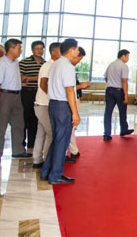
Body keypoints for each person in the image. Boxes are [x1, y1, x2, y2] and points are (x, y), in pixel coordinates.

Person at [41, 39, 80, 185]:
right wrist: (75, 113)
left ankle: (46, 171)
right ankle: (55, 175)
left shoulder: (56, 63)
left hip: (53, 104)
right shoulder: (67, 66)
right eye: (77, 49)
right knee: (62, 142)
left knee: (57, 139)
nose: (78, 52)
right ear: (71, 50)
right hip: (63, 106)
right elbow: (69, 90)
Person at [0, 39, 31, 164]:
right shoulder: (2, 63)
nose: (20, 51)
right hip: (5, 96)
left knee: (19, 125)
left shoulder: (16, 63)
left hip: (17, 96)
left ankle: (18, 150)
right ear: (11, 49)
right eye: (19, 48)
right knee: (1, 127)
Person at [32, 42, 61, 168]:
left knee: (41, 133)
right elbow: (43, 84)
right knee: (51, 133)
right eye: (61, 51)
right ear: (53, 52)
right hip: (44, 104)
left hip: (44, 103)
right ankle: (48, 160)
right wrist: (53, 96)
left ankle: (37, 159)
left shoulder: (54, 65)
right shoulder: (49, 66)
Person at [19, 40, 45, 150]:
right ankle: (21, 142)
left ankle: (32, 142)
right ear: (32, 50)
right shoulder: (24, 62)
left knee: (36, 118)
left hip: (40, 93)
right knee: (25, 117)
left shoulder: (45, 64)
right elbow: (20, 78)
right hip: (27, 92)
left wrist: (29, 78)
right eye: (37, 49)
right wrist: (37, 78)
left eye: (41, 49)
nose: (39, 51)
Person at [103, 49, 133, 141]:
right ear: (123, 56)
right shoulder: (124, 66)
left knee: (108, 112)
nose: (128, 58)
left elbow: (106, 77)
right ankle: (123, 130)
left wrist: (110, 84)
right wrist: (126, 95)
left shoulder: (111, 65)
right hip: (119, 91)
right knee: (122, 111)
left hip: (109, 90)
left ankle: (107, 134)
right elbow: (124, 81)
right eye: (127, 56)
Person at [67, 47, 90, 160]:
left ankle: (73, 150)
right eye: (79, 58)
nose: (78, 61)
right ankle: (70, 152)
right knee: (70, 126)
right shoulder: (66, 67)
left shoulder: (69, 67)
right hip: (69, 100)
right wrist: (81, 86)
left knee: (71, 127)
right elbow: (68, 88)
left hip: (73, 98)